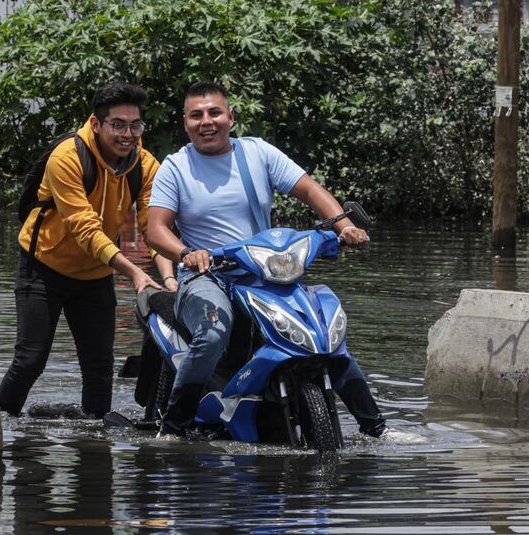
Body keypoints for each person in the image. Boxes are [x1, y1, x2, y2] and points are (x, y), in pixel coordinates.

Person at [147, 81, 387, 439]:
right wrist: (187, 253)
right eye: (196, 115)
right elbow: (156, 230)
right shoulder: (176, 167)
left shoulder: (257, 152)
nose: (206, 121)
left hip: (264, 271)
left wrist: (344, 225)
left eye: (214, 112)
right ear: (185, 123)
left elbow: (308, 188)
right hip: (206, 274)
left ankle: (376, 428)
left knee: (324, 333)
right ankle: (173, 427)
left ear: (231, 116)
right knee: (213, 332)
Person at [0, 82, 177, 419]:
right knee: (30, 360)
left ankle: (95, 445)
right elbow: (85, 228)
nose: (128, 134)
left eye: (135, 125)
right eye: (118, 125)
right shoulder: (67, 156)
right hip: (43, 266)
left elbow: (154, 229)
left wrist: (168, 279)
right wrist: (136, 273)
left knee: (99, 369)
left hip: (95, 274)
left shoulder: (145, 164)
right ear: (96, 123)